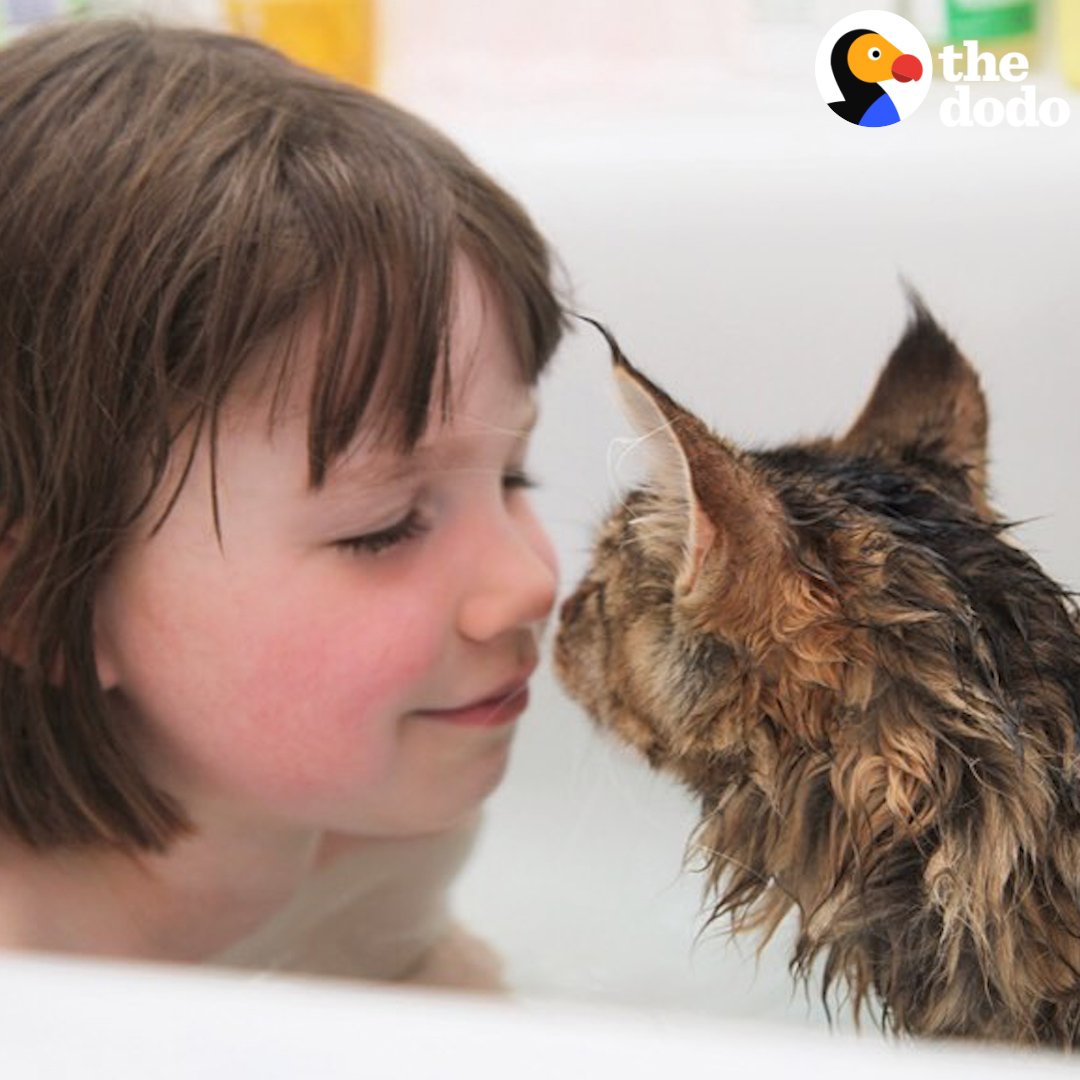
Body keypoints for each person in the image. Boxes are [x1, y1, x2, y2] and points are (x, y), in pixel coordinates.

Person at [0, 18, 564, 987]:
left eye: (513, 475)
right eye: (383, 528)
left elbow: (416, 963)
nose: (529, 581)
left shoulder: (394, 811)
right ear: (42, 607)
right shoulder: (30, 948)